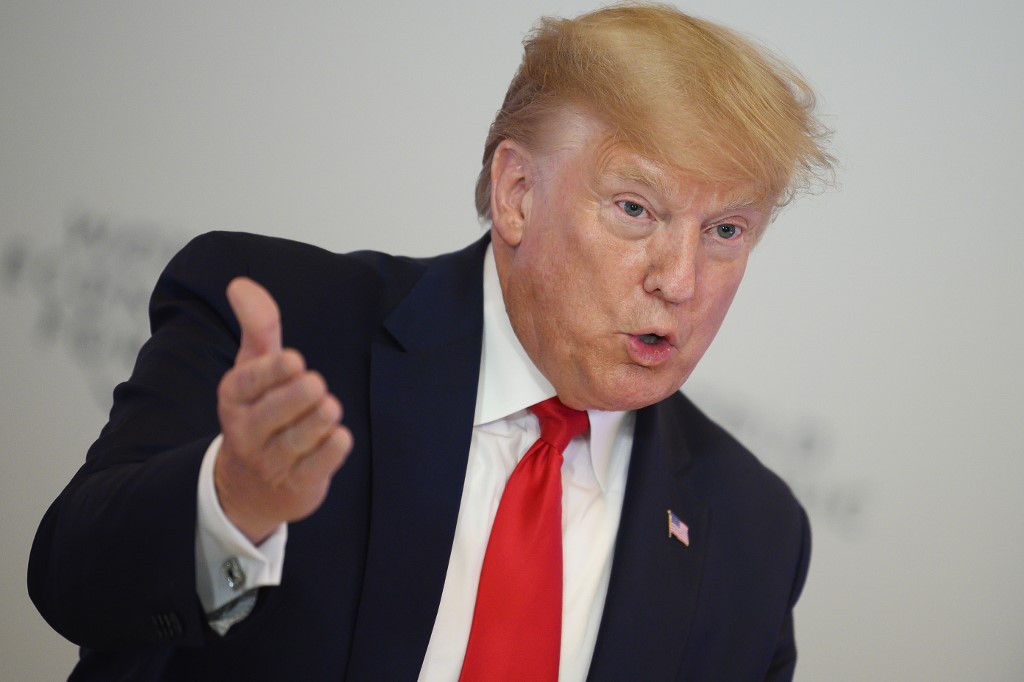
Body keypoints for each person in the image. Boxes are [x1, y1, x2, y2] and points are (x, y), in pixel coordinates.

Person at [28, 3, 833, 680]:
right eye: (635, 210)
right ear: (517, 194)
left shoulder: (754, 532)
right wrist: (232, 500)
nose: (681, 280)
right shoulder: (287, 333)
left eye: (726, 230)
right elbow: (71, 583)